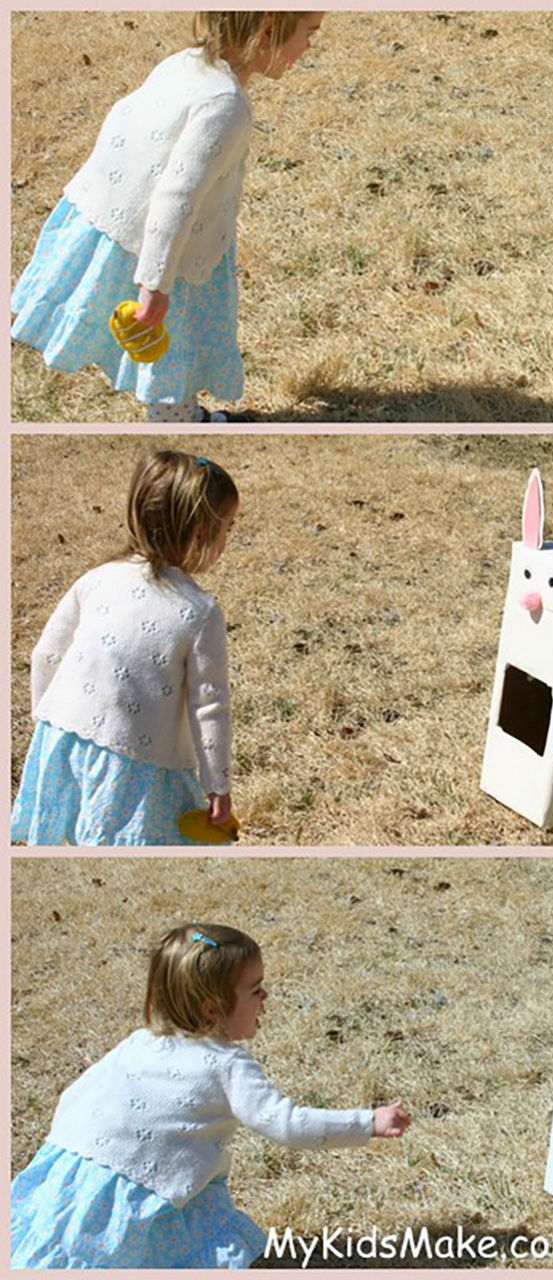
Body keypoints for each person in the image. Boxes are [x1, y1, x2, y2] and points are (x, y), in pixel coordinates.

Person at [11, 923, 411, 1268]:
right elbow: (287, 1125)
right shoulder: (227, 1064)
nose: (266, 997)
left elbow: (74, 1097)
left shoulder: (139, 1041)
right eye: (255, 990)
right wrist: (368, 1122)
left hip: (70, 1175)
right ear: (211, 1009)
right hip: (140, 1197)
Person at [11, 12, 325, 423]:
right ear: (268, 30)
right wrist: (157, 283)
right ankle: (179, 417)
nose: (309, 48)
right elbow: (179, 194)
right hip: (171, 250)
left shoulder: (183, 64)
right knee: (177, 345)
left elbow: (122, 121)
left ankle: (177, 411)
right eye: (309, 33)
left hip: (122, 228)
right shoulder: (225, 105)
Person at [11, 450, 239, 845]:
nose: (227, 539)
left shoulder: (97, 578)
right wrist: (217, 784)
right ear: (201, 531)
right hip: (136, 765)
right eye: (228, 528)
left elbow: (45, 655)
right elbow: (209, 705)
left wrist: (47, 724)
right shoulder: (200, 612)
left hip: (62, 740)